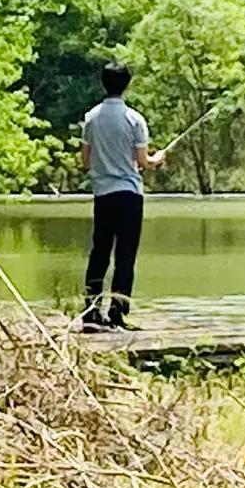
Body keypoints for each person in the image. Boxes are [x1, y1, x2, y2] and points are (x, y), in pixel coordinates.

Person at [80, 62, 166, 330]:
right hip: (129, 195)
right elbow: (143, 162)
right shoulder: (135, 119)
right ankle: (117, 312)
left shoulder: (91, 118)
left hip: (102, 195)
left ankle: (91, 311)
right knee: (125, 255)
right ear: (127, 85)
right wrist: (158, 159)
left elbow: (85, 160)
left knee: (100, 252)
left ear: (103, 83)